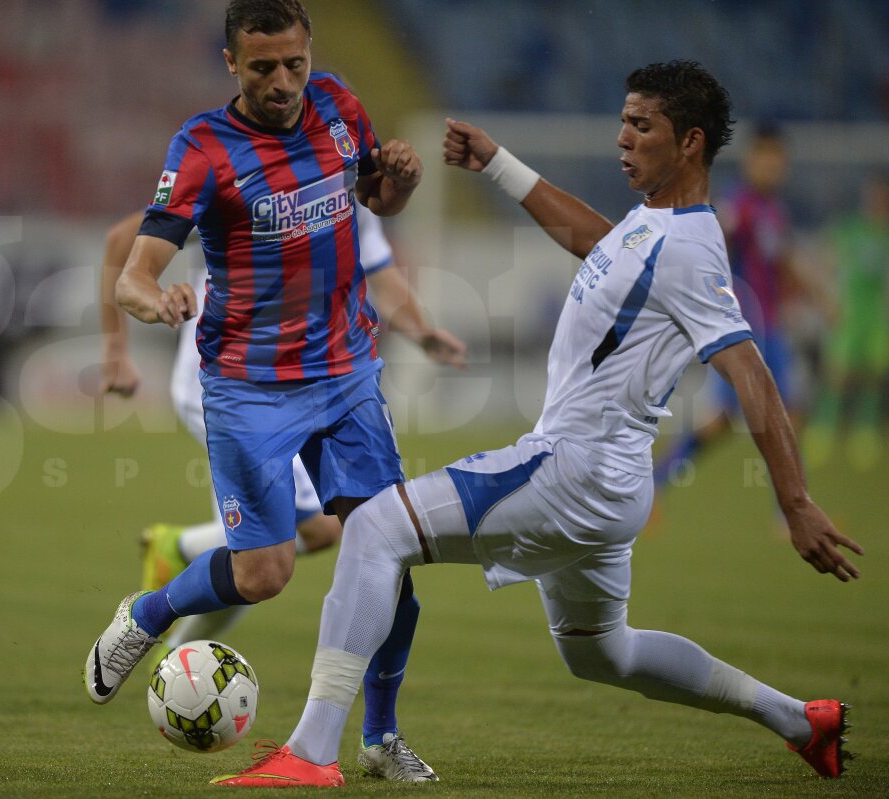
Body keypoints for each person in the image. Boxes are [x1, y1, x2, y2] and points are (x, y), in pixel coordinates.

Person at [212, 60, 863, 788]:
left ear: (690, 142)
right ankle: (803, 722)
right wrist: (497, 164)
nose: (622, 138)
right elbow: (596, 240)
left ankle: (309, 752)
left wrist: (797, 502)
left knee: (373, 528)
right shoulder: (652, 226)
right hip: (609, 487)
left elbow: (750, 372)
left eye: (640, 125)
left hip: (572, 470)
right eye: (623, 120)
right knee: (601, 652)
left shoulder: (691, 246)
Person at [87, 0, 441, 781]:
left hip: (347, 372)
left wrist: (400, 184)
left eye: (294, 63)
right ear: (230, 65)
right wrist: (160, 300)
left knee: (391, 551)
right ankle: (147, 613)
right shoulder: (205, 147)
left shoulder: (341, 106)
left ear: (309, 53)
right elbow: (135, 273)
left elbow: (376, 202)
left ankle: (379, 739)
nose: (283, 83)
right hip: (249, 387)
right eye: (262, 69)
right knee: (264, 574)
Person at [99, 204, 466, 658]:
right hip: (228, 386)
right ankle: (176, 559)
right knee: (300, 538)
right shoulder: (242, 179)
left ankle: (173, 651)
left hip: (296, 390)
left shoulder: (347, 185)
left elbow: (380, 275)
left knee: (256, 557)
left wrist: (422, 331)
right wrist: (116, 351)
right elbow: (122, 241)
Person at [653, 123, 804, 490]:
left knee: (782, 416)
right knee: (735, 419)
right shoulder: (739, 205)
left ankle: (791, 510)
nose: (772, 168)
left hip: (771, 327)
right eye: (766, 159)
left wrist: (812, 296)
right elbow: (713, 248)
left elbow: (782, 263)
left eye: (778, 161)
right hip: (744, 328)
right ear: (752, 160)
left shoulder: (774, 211)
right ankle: (655, 482)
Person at [804, 172, 889, 471]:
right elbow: (823, 260)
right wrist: (827, 298)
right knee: (837, 374)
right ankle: (823, 429)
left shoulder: (885, 235)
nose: (877, 203)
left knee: (872, 375)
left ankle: (864, 431)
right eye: (874, 196)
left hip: (877, 317)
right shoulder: (852, 230)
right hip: (850, 313)